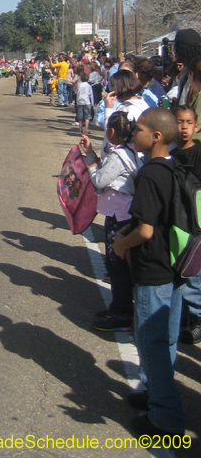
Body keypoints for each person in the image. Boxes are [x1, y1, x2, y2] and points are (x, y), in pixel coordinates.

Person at [113, 108, 185, 438]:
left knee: (150, 342)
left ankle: (164, 418)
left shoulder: (149, 175)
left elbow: (144, 231)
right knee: (166, 340)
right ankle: (154, 392)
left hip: (152, 271)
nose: (133, 133)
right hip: (174, 267)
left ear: (155, 136)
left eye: (139, 129)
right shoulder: (172, 167)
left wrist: (121, 246)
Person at [81, 111, 142, 332]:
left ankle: (121, 312)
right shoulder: (129, 151)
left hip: (119, 217)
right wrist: (92, 152)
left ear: (113, 131)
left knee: (117, 265)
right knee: (118, 265)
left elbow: (99, 180)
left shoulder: (119, 156)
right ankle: (119, 306)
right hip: (122, 213)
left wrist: (89, 158)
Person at [170, 105, 201, 345]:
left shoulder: (198, 154)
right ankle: (183, 318)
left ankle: (197, 318)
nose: (184, 127)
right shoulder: (169, 153)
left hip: (196, 224)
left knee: (195, 275)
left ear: (196, 127)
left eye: (188, 123)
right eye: (179, 122)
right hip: (177, 222)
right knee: (180, 270)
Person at [75, 70, 94, 134]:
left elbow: (76, 93)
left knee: (80, 116)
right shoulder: (89, 86)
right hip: (87, 101)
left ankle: (80, 128)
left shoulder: (79, 85)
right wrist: (92, 103)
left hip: (80, 101)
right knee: (87, 116)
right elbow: (91, 94)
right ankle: (86, 128)